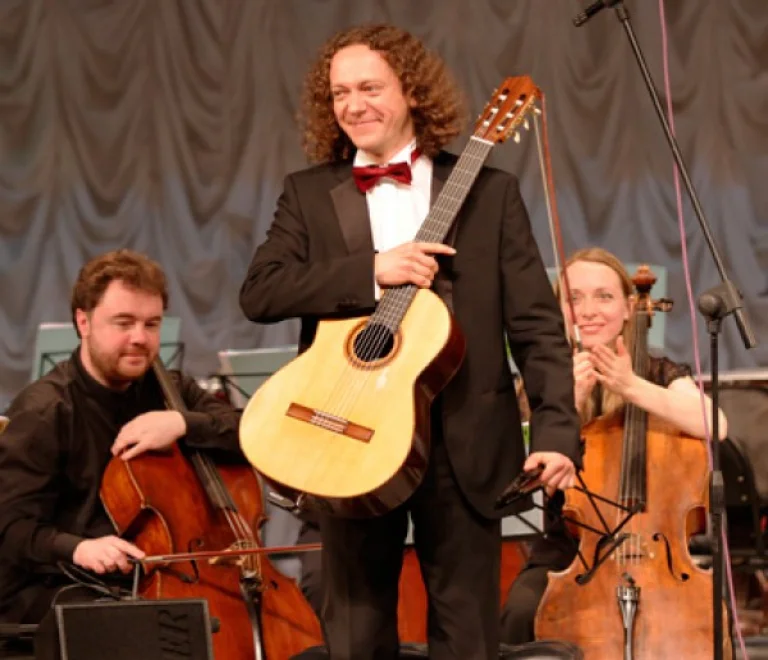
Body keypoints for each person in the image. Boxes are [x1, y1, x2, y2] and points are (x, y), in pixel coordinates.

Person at [239, 23, 581, 659]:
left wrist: (557, 431)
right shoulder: (308, 194)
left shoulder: (491, 193)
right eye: (340, 93)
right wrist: (373, 270)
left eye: (370, 87)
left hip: (466, 444)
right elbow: (261, 292)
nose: (353, 105)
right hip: (349, 439)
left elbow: (537, 326)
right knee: (357, 639)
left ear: (413, 92)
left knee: (468, 640)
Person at [0, 249, 243, 657]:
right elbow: (10, 526)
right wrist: (79, 547)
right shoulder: (45, 411)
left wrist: (184, 423)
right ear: (83, 322)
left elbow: (251, 432)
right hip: (58, 585)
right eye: (124, 323)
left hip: (153, 579)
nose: (140, 338)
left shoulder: (169, 391)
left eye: (151, 324)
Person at [500, 246, 729, 644]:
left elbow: (717, 424)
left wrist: (632, 387)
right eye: (574, 298)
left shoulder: (658, 372)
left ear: (628, 308)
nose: (588, 310)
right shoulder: (541, 382)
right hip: (571, 551)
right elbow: (530, 481)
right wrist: (567, 406)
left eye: (603, 296)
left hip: (658, 549)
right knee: (520, 613)